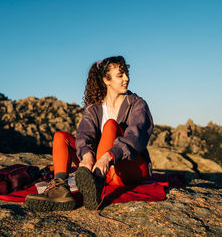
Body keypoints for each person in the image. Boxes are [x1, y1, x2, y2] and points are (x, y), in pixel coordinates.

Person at [25, 56, 154, 212]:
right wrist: (86, 156)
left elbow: (136, 135)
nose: (126, 78)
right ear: (106, 80)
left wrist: (108, 156)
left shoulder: (137, 104)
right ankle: (60, 189)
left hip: (128, 169)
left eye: (126, 74)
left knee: (111, 125)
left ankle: (96, 182)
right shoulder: (93, 108)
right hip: (100, 167)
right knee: (61, 137)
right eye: (120, 75)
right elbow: (84, 134)